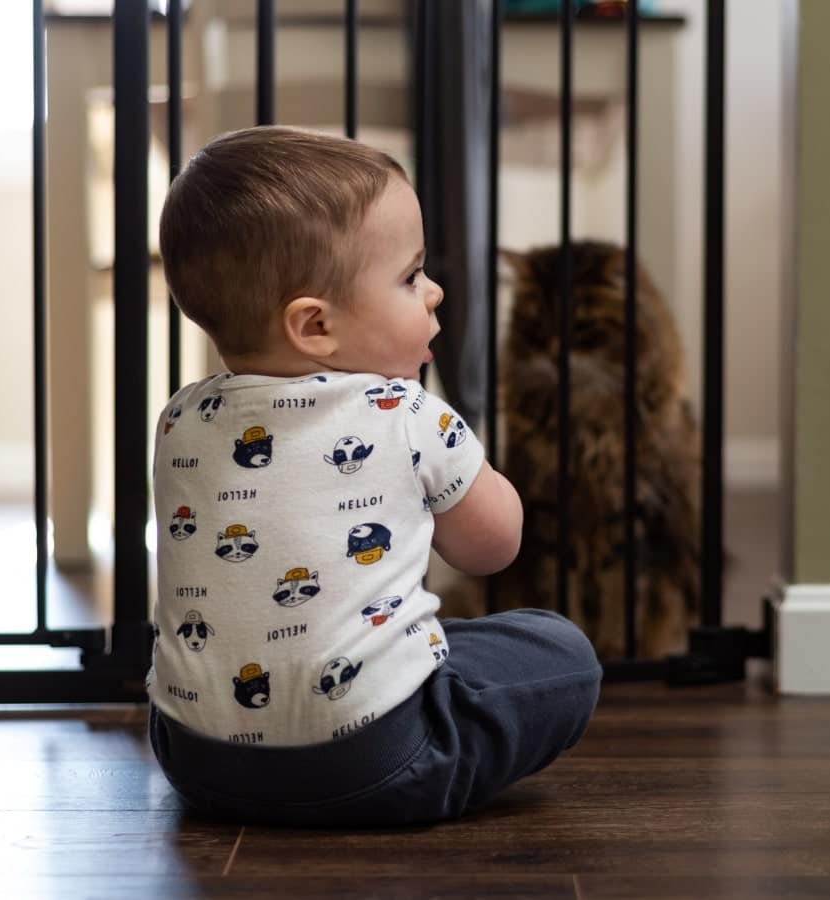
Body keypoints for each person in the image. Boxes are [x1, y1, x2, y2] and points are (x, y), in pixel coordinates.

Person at [146, 125, 602, 827]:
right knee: (560, 651)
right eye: (410, 276)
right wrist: (459, 460)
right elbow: (495, 547)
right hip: (371, 756)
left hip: (198, 760)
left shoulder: (180, 420)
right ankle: (393, 776)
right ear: (316, 327)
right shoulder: (409, 413)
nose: (435, 292)